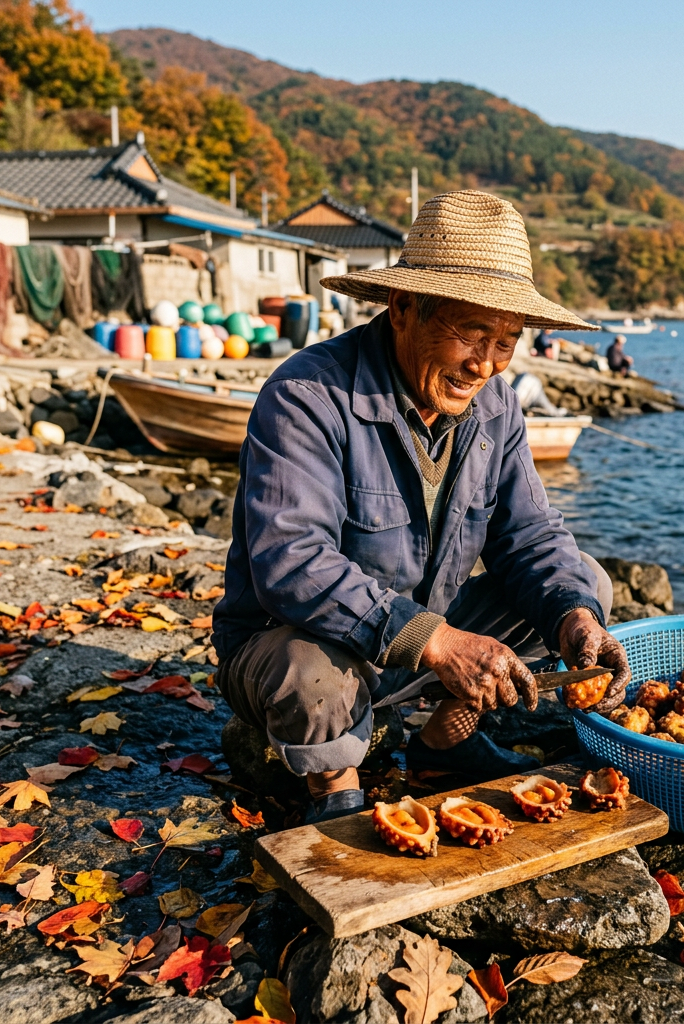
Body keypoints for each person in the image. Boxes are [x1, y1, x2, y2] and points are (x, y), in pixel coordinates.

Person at [212, 190, 630, 823]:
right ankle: (336, 783)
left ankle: (444, 744)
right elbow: (290, 562)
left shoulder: (497, 409)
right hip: (297, 643)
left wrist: (574, 617)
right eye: (471, 333)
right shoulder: (306, 396)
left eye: (506, 341)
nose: (485, 364)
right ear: (404, 308)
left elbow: (532, 539)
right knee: (311, 671)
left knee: (585, 584)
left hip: (419, 638)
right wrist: (436, 642)